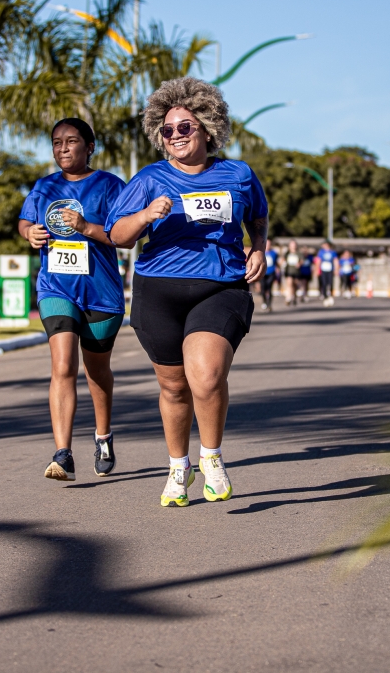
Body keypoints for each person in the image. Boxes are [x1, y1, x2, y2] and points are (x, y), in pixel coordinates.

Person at [105, 77, 268, 508]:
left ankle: (211, 457)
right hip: (159, 291)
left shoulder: (238, 174)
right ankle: (179, 466)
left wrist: (259, 247)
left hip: (221, 286)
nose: (175, 135)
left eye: (184, 127)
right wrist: (145, 215)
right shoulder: (149, 179)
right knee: (174, 387)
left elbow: (258, 215)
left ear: (208, 129)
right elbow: (118, 235)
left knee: (207, 375)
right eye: (167, 130)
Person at [18, 118, 125, 482]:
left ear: (89, 147)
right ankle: (62, 454)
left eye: (71, 141)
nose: (62, 147)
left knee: (96, 371)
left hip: (101, 293)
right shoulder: (44, 186)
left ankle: (103, 436)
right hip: (56, 288)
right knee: (63, 365)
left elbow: (125, 236)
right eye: (56, 142)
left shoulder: (109, 185)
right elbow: (25, 221)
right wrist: (29, 232)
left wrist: (85, 227)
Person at [315, 240, 338, 306]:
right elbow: (318, 261)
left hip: (330, 270)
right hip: (323, 270)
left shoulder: (332, 252)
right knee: (324, 283)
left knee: (330, 282)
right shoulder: (321, 252)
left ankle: (330, 294)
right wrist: (317, 269)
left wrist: (336, 269)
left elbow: (335, 260)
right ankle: (324, 295)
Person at [260, 239, 279, 312]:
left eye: (269, 244)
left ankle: (269, 304)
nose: (267, 245)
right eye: (266, 244)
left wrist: (277, 270)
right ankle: (264, 301)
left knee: (269, 287)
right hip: (262, 273)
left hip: (271, 272)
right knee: (263, 288)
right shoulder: (261, 252)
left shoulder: (274, 253)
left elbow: (277, 263)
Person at [281, 240, 301, 307]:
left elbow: (302, 260)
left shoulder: (298, 253)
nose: (293, 246)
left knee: (295, 284)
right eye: (292, 244)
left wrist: (299, 264)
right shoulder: (287, 253)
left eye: (294, 244)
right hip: (289, 271)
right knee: (289, 283)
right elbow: (283, 259)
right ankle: (288, 297)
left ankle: (294, 296)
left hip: (296, 271)